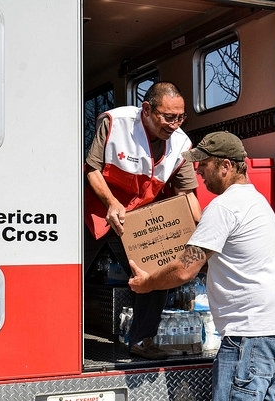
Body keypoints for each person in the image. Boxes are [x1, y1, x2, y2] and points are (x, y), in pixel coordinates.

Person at [128, 131, 275, 401]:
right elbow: (231, 264)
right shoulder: (256, 203)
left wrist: (147, 283)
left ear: (225, 166)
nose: (199, 174)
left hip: (250, 337)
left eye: (203, 165)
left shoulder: (224, 207)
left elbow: (185, 269)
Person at [84, 81, 202, 359]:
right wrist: (111, 203)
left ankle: (142, 340)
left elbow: (187, 195)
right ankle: (58, 337)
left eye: (180, 117)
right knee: (70, 274)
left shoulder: (182, 145)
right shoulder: (115, 122)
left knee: (157, 274)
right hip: (97, 213)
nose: (175, 124)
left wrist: (203, 233)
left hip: (138, 221)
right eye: (168, 117)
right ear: (147, 109)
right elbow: (92, 169)